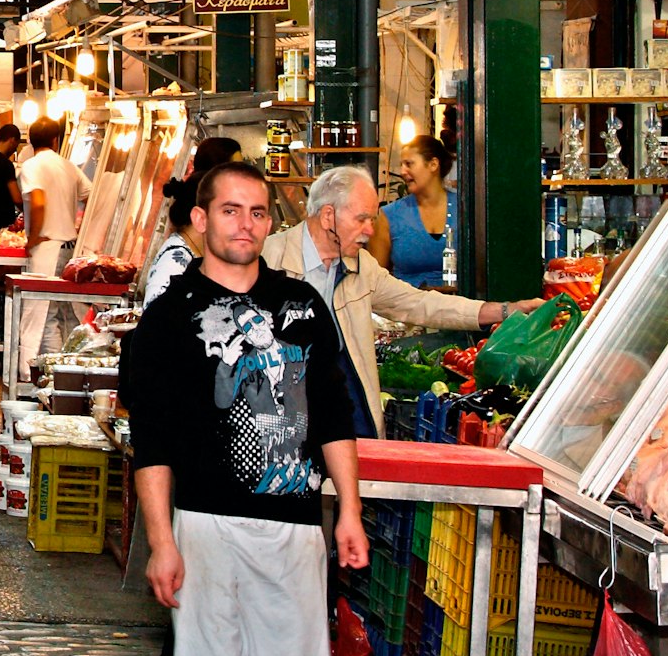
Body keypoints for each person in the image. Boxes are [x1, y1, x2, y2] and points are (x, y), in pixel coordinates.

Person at [121, 159, 370, 656]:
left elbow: (333, 416)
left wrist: (350, 509)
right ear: (200, 220)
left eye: (258, 212)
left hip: (293, 524)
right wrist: (161, 541)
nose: (244, 225)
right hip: (203, 523)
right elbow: (153, 441)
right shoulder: (168, 319)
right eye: (229, 211)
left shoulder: (300, 306)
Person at [276, 165, 521, 440]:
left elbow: (417, 303)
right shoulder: (267, 261)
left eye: (372, 219)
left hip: (348, 416)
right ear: (328, 216)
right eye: (361, 219)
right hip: (286, 422)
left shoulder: (361, 266)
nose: (370, 230)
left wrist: (503, 310)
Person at [136, 136, 246, 301]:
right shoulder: (175, 261)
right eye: (227, 211)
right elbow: (157, 321)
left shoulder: (203, 253)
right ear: (200, 216)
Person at [381, 136, 454, 293]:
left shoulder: (464, 209)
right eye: (401, 165)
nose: (402, 172)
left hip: (462, 307)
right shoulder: (389, 216)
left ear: (433, 164)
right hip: (408, 310)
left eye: (409, 164)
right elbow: (375, 280)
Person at [17, 116, 85, 273]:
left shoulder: (31, 166)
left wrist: (32, 239)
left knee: (40, 296)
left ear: (31, 141)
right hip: (70, 248)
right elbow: (92, 198)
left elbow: (39, 203)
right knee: (62, 296)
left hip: (46, 249)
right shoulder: (69, 166)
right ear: (55, 140)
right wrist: (81, 230)